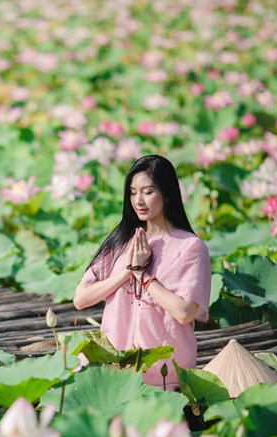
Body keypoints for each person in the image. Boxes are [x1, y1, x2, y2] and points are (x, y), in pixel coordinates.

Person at [73, 155, 211, 390]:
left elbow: (185, 312)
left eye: (147, 192)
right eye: (133, 192)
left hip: (164, 374)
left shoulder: (190, 247)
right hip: (112, 366)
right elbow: (81, 299)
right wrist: (128, 272)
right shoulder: (121, 240)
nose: (139, 200)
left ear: (167, 193)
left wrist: (143, 276)